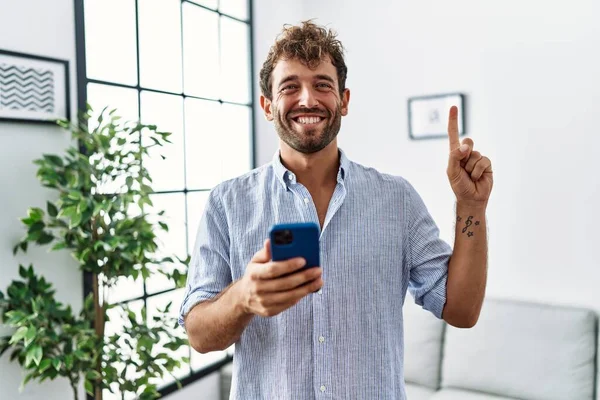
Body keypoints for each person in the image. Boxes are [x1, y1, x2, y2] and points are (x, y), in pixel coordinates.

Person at [178, 20, 493, 399]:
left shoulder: (397, 199)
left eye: (322, 85)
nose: (308, 99)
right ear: (267, 105)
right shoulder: (227, 203)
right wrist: (244, 296)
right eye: (290, 86)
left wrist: (471, 205)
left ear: (343, 100)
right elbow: (199, 335)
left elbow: (461, 310)